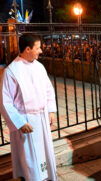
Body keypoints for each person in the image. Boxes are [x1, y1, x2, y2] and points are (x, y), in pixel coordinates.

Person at [0, 33, 57, 180]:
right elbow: (5, 102)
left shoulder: (39, 67)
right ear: (27, 49)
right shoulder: (12, 71)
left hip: (42, 118)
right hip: (26, 122)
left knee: (45, 155)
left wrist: (51, 110)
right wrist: (20, 122)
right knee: (30, 161)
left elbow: (48, 89)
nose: (41, 51)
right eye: (37, 48)